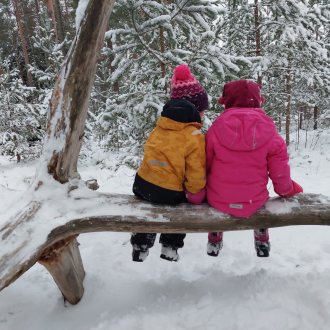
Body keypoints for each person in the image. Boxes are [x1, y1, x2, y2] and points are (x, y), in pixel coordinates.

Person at [206, 79, 303, 257]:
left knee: (217, 197)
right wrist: (287, 190)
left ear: (227, 102)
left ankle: (214, 237)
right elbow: (279, 170)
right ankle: (261, 239)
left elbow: (206, 165)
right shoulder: (269, 130)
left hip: (219, 198)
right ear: (258, 101)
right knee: (260, 201)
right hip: (254, 200)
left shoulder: (216, 129)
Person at [131, 64, 208, 262]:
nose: (203, 116)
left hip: (141, 184)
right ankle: (170, 245)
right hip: (170, 192)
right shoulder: (193, 135)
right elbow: (195, 175)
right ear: (194, 110)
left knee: (149, 202)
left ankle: (141, 243)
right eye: (202, 112)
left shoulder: (160, 126)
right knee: (179, 203)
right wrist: (196, 192)